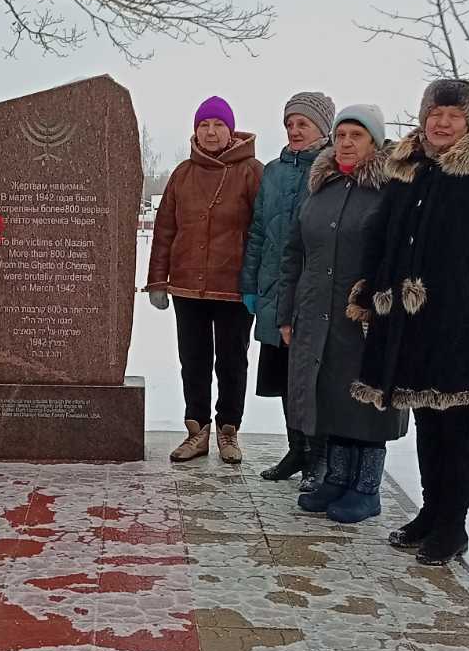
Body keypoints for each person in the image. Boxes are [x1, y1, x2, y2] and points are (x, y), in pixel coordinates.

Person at [351, 78, 469, 565]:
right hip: (408, 322)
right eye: (435, 114)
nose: (441, 123)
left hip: (465, 322)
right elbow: (382, 237)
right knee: (426, 418)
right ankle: (430, 512)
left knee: (458, 425)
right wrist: (369, 292)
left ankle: (452, 525)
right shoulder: (407, 169)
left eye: (453, 116)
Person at [277, 105, 408, 523]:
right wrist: (286, 312)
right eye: (341, 135)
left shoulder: (391, 189)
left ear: (375, 142)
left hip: (366, 316)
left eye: (357, 135)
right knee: (329, 394)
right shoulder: (322, 188)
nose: (347, 142)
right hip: (316, 311)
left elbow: (401, 254)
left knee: (365, 400)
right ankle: (335, 478)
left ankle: (366, 488)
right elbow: (294, 253)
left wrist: (384, 308)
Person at [145, 95, 263, 465]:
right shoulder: (183, 173)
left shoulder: (251, 172)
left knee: (232, 361)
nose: (210, 132)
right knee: (193, 359)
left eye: (218, 125)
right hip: (187, 286)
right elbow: (165, 229)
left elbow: (263, 231)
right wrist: (158, 280)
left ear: (231, 130)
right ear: (195, 130)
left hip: (234, 287)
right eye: (203, 125)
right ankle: (197, 433)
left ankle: (229, 431)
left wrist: (259, 282)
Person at [240, 90, 335, 483]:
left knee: (313, 378)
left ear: (323, 128)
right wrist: (250, 283)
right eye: (290, 124)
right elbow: (259, 230)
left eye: (303, 124)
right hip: (274, 288)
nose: (295, 131)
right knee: (284, 377)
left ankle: (319, 457)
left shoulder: (332, 170)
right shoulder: (275, 172)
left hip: (313, 291)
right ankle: (296, 449)